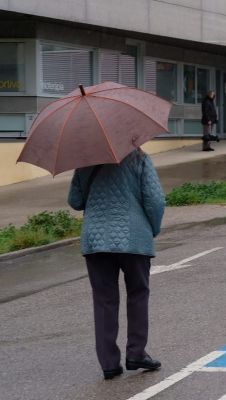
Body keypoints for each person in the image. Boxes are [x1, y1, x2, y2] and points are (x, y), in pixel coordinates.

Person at [68, 149, 165, 380]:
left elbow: (75, 201)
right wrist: (152, 229)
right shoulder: (139, 157)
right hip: (134, 238)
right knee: (138, 294)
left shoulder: (85, 160)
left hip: (96, 241)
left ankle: (109, 363)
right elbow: (155, 200)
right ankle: (136, 354)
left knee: (104, 301)